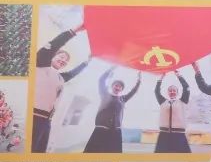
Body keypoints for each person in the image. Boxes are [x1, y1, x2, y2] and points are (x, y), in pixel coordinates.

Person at [32, 24, 88, 152]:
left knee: (39, 154)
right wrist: (73, 31)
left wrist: (87, 62)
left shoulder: (61, 77)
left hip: (46, 121)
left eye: (66, 60)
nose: (64, 60)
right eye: (61, 57)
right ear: (53, 56)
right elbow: (53, 45)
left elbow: (73, 73)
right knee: (31, 152)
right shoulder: (41, 65)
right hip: (35, 116)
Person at [84, 68, 141, 153]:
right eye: (116, 85)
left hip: (115, 131)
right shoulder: (105, 94)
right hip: (102, 129)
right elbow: (101, 80)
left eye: (120, 86)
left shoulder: (123, 99)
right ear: (112, 86)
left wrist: (139, 80)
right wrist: (111, 69)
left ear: (121, 89)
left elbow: (134, 91)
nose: (118, 87)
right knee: (94, 152)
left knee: (113, 153)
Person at [154, 71, 192, 153]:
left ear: (177, 92)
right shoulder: (163, 101)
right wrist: (161, 77)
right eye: (170, 90)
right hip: (164, 135)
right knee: (161, 157)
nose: (172, 92)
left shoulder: (182, 101)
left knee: (181, 157)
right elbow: (156, 91)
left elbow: (186, 87)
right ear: (168, 92)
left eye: (174, 90)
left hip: (179, 135)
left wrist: (178, 75)